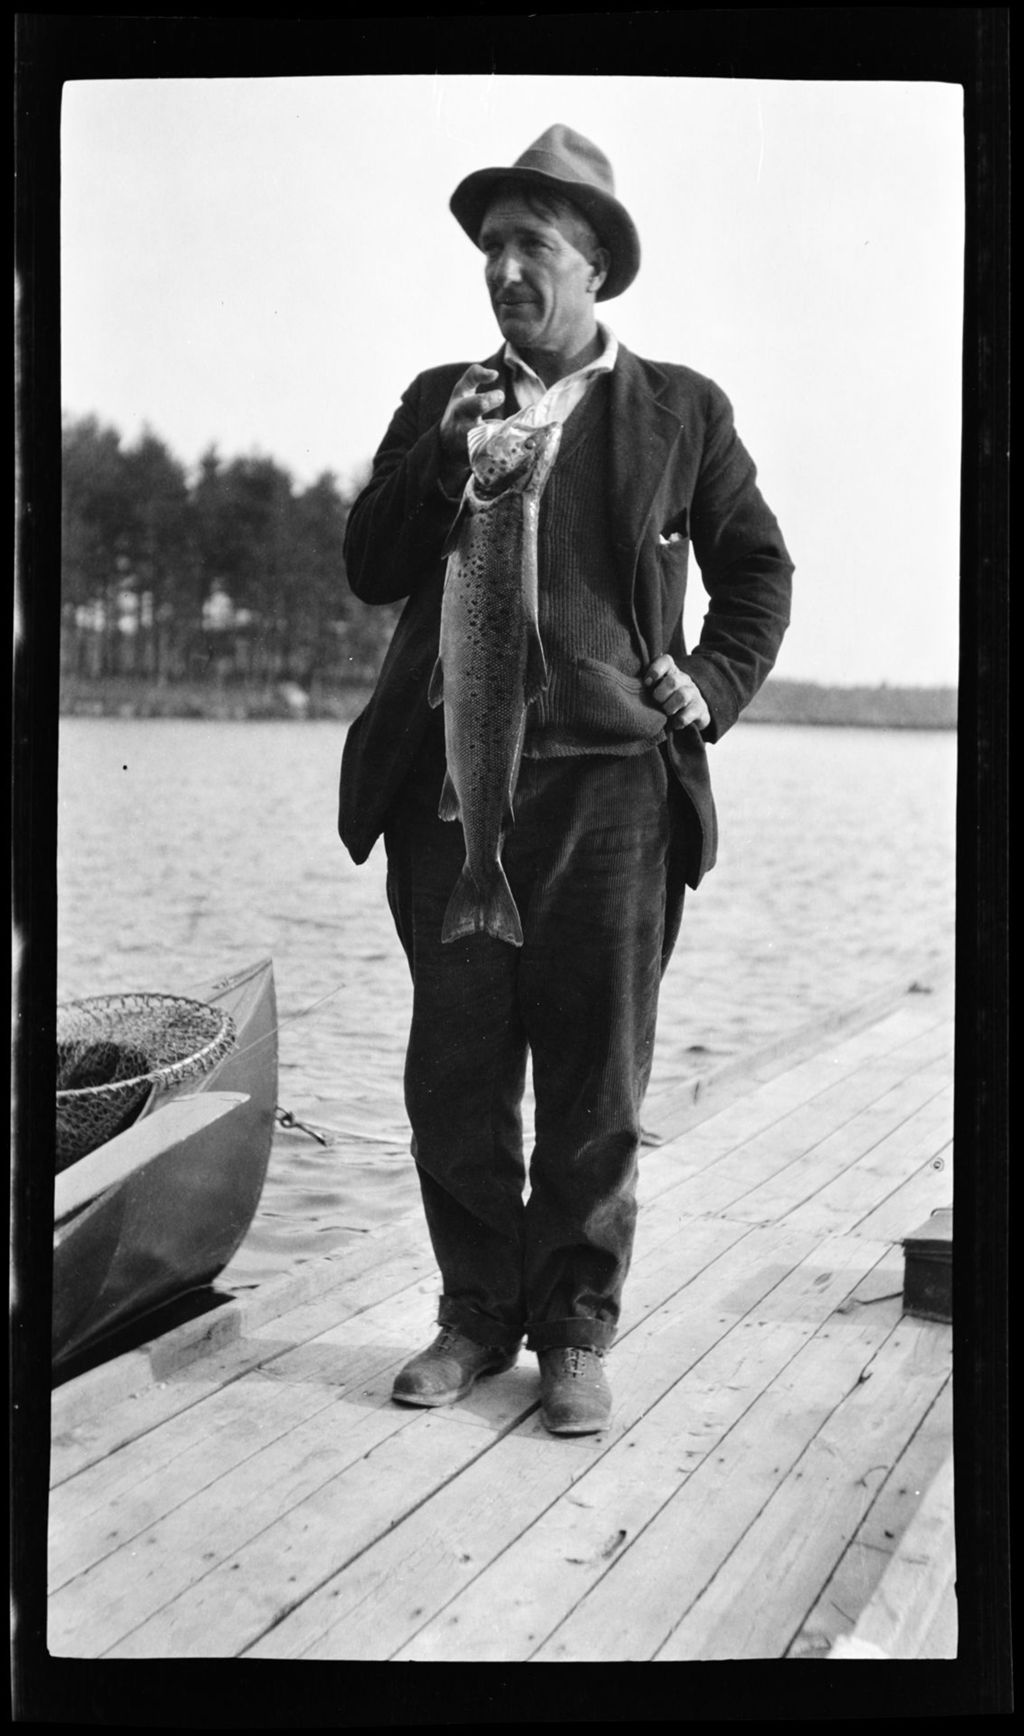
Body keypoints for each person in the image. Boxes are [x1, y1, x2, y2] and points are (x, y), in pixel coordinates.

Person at [339, 124, 793, 1435]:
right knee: (458, 1071)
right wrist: (442, 459)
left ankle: (575, 1330)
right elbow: (372, 562)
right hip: (456, 795)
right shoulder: (445, 395)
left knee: (598, 1081)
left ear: (597, 264)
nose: (504, 268)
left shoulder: (682, 409)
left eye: (533, 244)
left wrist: (709, 682)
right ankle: (475, 1317)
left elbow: (758, 568)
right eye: (491, 247)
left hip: (614, 798)